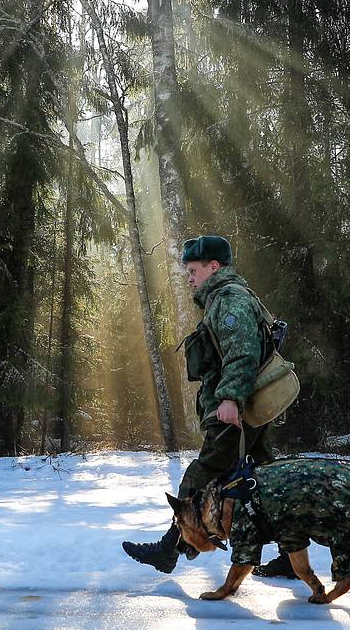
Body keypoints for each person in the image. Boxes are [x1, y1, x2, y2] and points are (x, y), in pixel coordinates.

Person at [122, 235, 294, 577]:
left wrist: (230, 398)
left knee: (202, 474)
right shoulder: (225, 297)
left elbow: (242, 353)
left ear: (213, 267)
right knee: (264, 481)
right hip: (246, 407)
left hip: (235, 410)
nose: (188, 276)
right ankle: (292, 555)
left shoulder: (229, 300)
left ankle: (169, 547)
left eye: (193, 269)